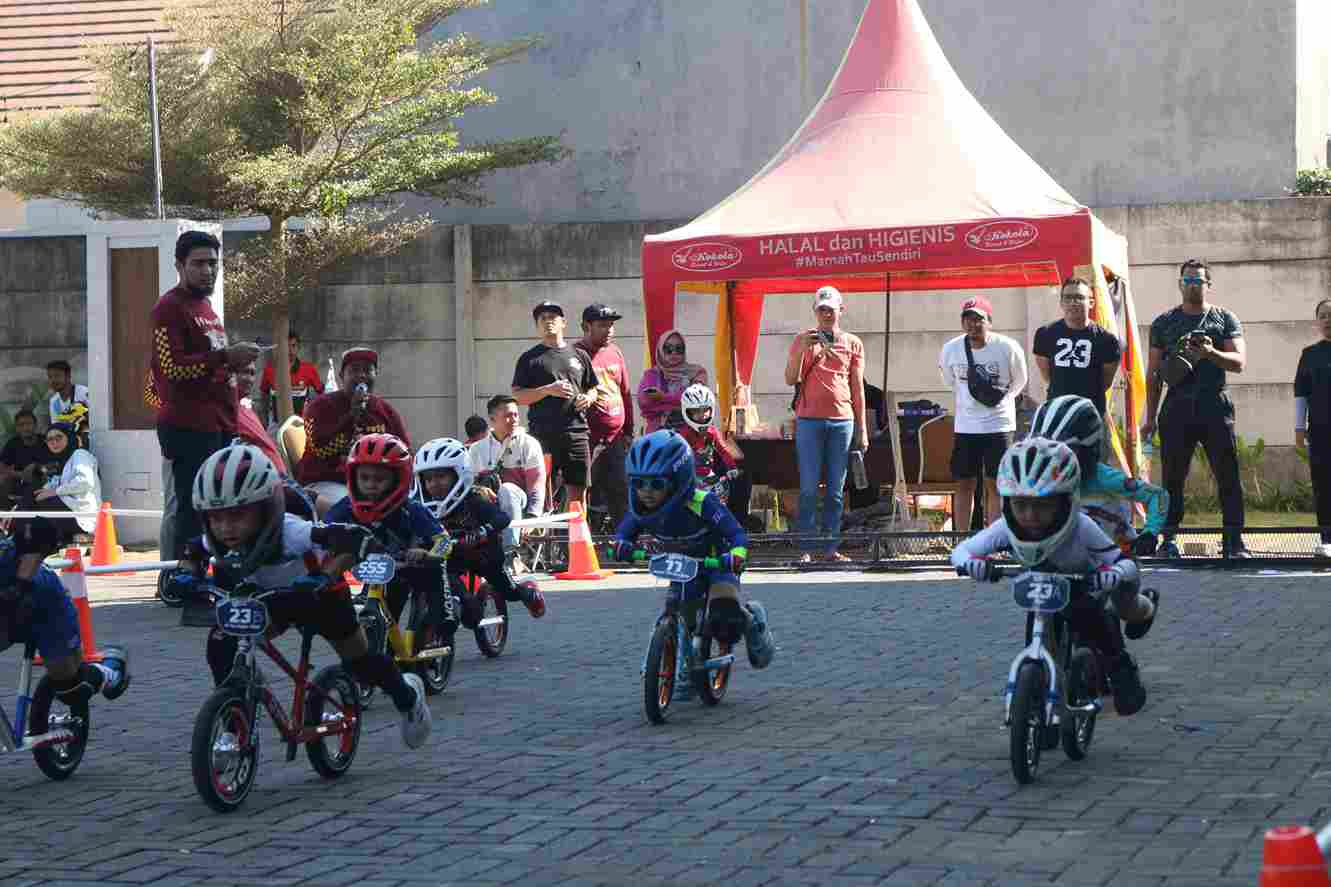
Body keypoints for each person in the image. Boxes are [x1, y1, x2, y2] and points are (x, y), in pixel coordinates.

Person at [171, 445, 431, 748]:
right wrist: (185, 575)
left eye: (238, 515)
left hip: (321, 596)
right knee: (222, 641)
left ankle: (409, 697)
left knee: (361, 663)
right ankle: (234, 715)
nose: (226, 528)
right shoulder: (214, 537)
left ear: (265, 509)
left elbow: (354, 541)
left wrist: (325, 575)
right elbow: (192, 552)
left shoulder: (292, 531)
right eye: (216, 518)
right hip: (272, 599)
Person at [951, 437, 1148, 716]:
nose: (1030, 515)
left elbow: (1123, 562)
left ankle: (1121, 669)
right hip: (1039, 590)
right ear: (1008, 502)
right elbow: (961, 551)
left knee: (1095, 620)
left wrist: (1113, 574)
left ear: (1065, 501)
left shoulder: (1081, 526)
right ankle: (1034, 694)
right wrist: (973, 564)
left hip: (1082, 584)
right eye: (1021, 504)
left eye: (1042, 505)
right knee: (1036, 628)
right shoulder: (1005, 527)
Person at [608, 431, 773, 698]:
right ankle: (682, 662)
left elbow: (735, 533)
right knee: (681, 609)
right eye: (638, 483)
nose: (646, 492)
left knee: (724, 615)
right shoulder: (642, 508)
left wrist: (736, 554)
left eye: (656, 484)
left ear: (678, 479)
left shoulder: (701, 502)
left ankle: (753, 622)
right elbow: (623, 534)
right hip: (682, 565)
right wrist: (621, 545)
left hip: (716, 561)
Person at [152, 229, 262, 556]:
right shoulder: (169, 307)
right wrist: (227, 356)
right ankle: (179, 576)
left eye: (213, 263)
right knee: (190, 511)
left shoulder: (207, 308)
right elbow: (171, 368)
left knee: (218, 507)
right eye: (198, 263)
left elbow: (213, 366)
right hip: (188, 429)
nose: (207, 270)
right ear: (179, 265)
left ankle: (213, 572)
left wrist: (235, 363)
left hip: (219, 427)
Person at [1028, 395, 1163, 639]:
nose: (1052, 461)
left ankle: (1147, 607)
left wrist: (1150, 532)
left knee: (1126, 609)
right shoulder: (1038, 481)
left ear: (1087, 451)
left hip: (1114, 557)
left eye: (1063, 452)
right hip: (1064, 555)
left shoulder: (1106, 478)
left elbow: (1158, 496)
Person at [1141, 259, 1249, 559]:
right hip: (1177, 407)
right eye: (1187, 280)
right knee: (1172, 478)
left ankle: (1233, 542)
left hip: (1215, 404)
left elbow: (1239, 363)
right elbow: (1153, 374)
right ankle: (1169, 540)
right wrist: (1150, 417)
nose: (1192, 285)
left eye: (1198, 280)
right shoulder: (1163, 323)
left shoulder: (1224, 318)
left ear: (1208, 285)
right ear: (1180, 284)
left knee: (1228, 475)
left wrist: (1209, 351)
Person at [0, 530, 130, 726]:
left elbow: (38, 534)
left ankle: (110, 670)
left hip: (46, 605)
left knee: (72, 689)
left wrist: (20, 584)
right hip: (9, 613)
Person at [413, 437, 546, 622]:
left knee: (509, 592)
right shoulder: (423, 507)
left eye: (441, 476)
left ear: (459, 475)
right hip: (451, 558)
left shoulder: (474, 500)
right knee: (455, 597)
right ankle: (458, 611)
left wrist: (482, 532)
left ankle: (529, 592)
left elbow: (502, 518)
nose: (434, 483)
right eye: (428, 479)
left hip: (484, 556)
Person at [783, 286, 868, 562]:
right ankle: (806, 548)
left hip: (842, 421)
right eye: (822, 309)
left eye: (831, 309)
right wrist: (801, 350)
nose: (827, 314)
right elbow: (790, 378)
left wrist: (863, 429)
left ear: (841, 310)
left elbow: (858, 388)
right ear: (815, 311)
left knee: (835, 491)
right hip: (808, 421)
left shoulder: (853, 343)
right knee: (808, 488)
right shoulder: (802, 339)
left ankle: (831, 548)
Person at [938, 295, 1028, 532]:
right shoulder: (951, 349)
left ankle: (994, 539)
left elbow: (1020, 380)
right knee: (964, 483)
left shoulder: (1007, 347)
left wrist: (1003, 401)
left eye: (979, 319)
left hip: (999, 426)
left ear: (989, 321)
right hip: (966, 427)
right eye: (968, 319)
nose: (973, 324)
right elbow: (949, 380)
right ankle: (961, 538)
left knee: (995, 484)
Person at [298, 347, 409, 516]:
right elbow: (321, 449)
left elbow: (405, 451)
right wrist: (352, 416)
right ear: (341, 376)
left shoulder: (385, 411)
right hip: (328, 482)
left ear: (376, 374)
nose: (362, 375)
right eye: (354, 370)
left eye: (368, 370)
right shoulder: (320, 406)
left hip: (378, 486)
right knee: (354, 513)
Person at [511, 301, 597, 511]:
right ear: (537, 326)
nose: (548, 321)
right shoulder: (529, 359)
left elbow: (594, 388)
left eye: (553, 317)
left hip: (576, 433)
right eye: (542, 318)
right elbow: (518, 396)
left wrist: (588, 398)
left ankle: (575, 533)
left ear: (563, 323)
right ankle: (542, 532)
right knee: (540, 494)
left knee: (578, 496)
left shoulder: (580, 355)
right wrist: (547, 390)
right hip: (543, 435)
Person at [468, 394, 546, 566]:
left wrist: (533, 516)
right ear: (492, 419)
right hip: (488, 506)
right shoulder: (476, 449)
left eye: (516, 414)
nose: (514, 419)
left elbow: (537, 483)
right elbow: (467, 486)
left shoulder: (529, 444)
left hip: (520, 502)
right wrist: (478, 489)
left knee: (507, 490)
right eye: (508, 416)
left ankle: (510, 553)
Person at [579, 303, 635, 529]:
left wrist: (629, 430)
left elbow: (626, 392)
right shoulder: (574, 354)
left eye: (611, 325)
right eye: (603, 325)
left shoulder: (615, 352)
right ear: (586, 326)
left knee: (621, 493)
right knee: (581, 494)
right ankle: (575, 544)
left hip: (616, 439)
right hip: (586, 439)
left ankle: (625, 542)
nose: (609, 330)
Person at [1032, 277, 1122, 418]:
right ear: (1061, 303)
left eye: (1079, 297)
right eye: (1068, 298)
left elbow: (1105, 382)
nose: (1073, 302)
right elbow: (1048, 377)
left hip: (1090, 414)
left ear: (1091, 303)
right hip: (1057, 412)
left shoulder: (1106, 340)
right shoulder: (1045, 334)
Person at [679, 383, 752, 527]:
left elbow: (723, 450)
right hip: (691, 478)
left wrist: (732, 467)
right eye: (696, 411)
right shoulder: (683, 435)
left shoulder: (712, 432)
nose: (702, 415)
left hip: (710, 477)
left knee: (720, 504)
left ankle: (725, 528)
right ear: (687, 411)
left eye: (705, 410)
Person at [1294, 298, 1331, 558]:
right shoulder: (1309, 354)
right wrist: (1299, 429)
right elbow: (1301, 394)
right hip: (1320, 431)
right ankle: (1327, 540)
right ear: (1317, 321)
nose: (1328, 320)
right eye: (1324, 315)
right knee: (1323, 486)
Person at [26, 423, 100, 547]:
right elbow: (50, 486)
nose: (54, 442)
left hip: (83, 516)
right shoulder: (62, 462)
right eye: (50, 440)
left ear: (69, 437)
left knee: (45, 501)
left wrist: (54, 492)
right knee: (32, 496)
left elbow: (85, 482)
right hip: (71, 512)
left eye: (59, 437)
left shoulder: (80, 454)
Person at [638, 330, 708, 434]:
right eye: (668, 349)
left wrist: (663, 398)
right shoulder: (651, 374)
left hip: (690, 435)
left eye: (679, 349)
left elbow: (696, 400)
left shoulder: (697, 372)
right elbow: (645, 405)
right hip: (658, 435)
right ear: (661, 350)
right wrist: (681, 404)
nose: (674, 353)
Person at [258, 331, 324, 426]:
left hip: (301, 424)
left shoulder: (309, 369)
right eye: (286, 346)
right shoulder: (269, 370)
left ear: (298, 348)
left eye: (293, 346)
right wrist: (263, 420)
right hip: (276, 423)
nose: (290, 350)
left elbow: (321, 394)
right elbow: (263, 398)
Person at [0, 409, 47, 509]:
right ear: (17, 428)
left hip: (44, 479)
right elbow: (2, 467)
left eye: (29, 424)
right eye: (21, 425)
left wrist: (38, 470)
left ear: (35, 425)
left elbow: (55, 463)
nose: (25, 428)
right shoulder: (12, 443)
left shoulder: (45, 441)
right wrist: (20, 474)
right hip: (19, 480)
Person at [46, 359, 90, 434]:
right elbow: (57, 428)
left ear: (68, 376)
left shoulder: (84, 393)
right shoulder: (53, 401)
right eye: (50, 377)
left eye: (57, 376)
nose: (53, 380)